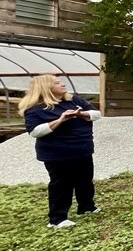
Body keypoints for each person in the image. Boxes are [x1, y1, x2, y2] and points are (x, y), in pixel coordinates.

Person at [20, 75, 102, 228]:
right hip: (58, 154)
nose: (62, 84)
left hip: (82, 149)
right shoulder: (36, 109)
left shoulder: (74, 101)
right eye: (57, 83)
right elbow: (34, 132)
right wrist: (60, 120)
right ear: (46, 88)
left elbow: (96, 114)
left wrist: (80, 114)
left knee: (85, 180)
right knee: (62, 184)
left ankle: (86, 207)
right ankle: (57, 218)